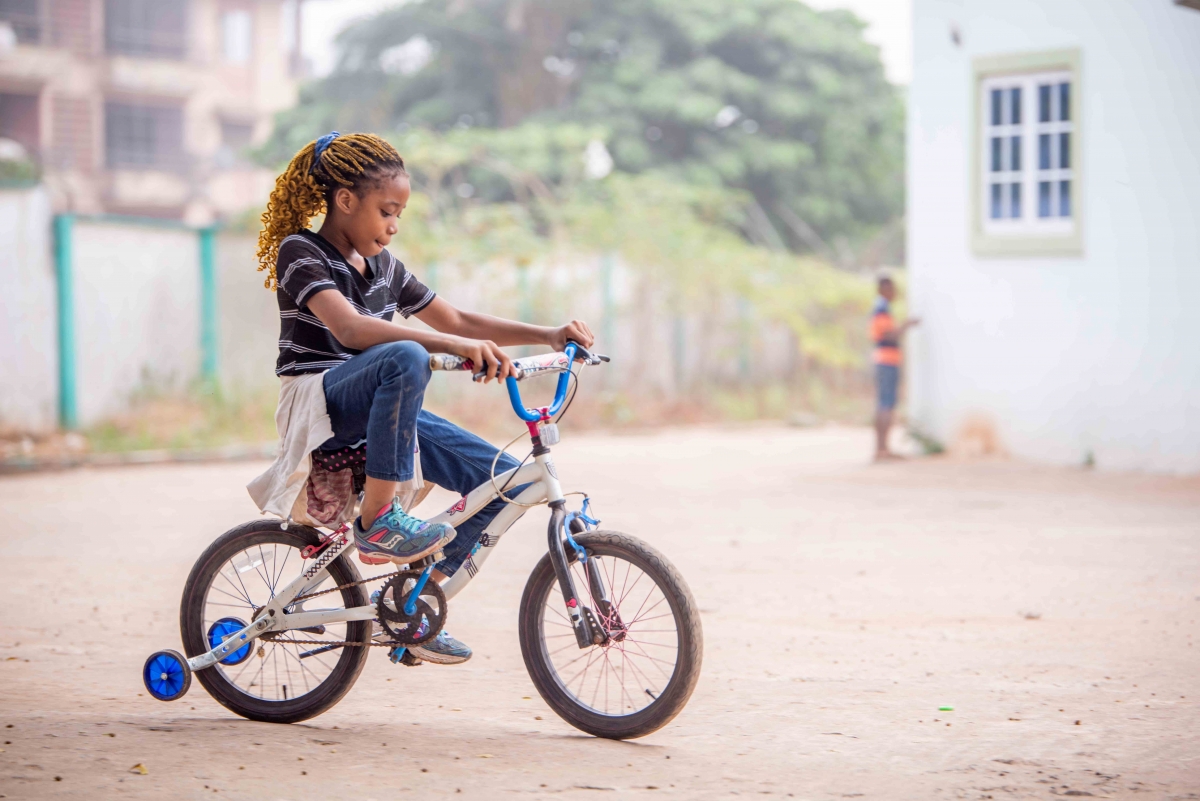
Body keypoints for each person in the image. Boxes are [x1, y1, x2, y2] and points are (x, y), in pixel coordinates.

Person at [248, 132, 594, 664]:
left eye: (400, 215)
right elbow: (351, 330)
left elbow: (455, 320)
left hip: (378, 401)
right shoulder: (303, 252)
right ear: (345, 201)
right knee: (407, 354)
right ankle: (377, 524)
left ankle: (414, 612)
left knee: (501, 482)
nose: (393, 225)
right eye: (387, 211)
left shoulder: (385, 267)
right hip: (321, 401)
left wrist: (547, 334)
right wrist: (450, 347)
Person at [870, 275, 918, 461]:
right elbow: (888, 336)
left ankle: (883, 449)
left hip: (887, 361)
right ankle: (882, 450)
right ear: (883, 290)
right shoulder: (881, 310)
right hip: (886, 361)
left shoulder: (883, 309)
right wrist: (906, 325)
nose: (894, 293)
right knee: (886, 404)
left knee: (886, 404)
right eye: (891, 289)